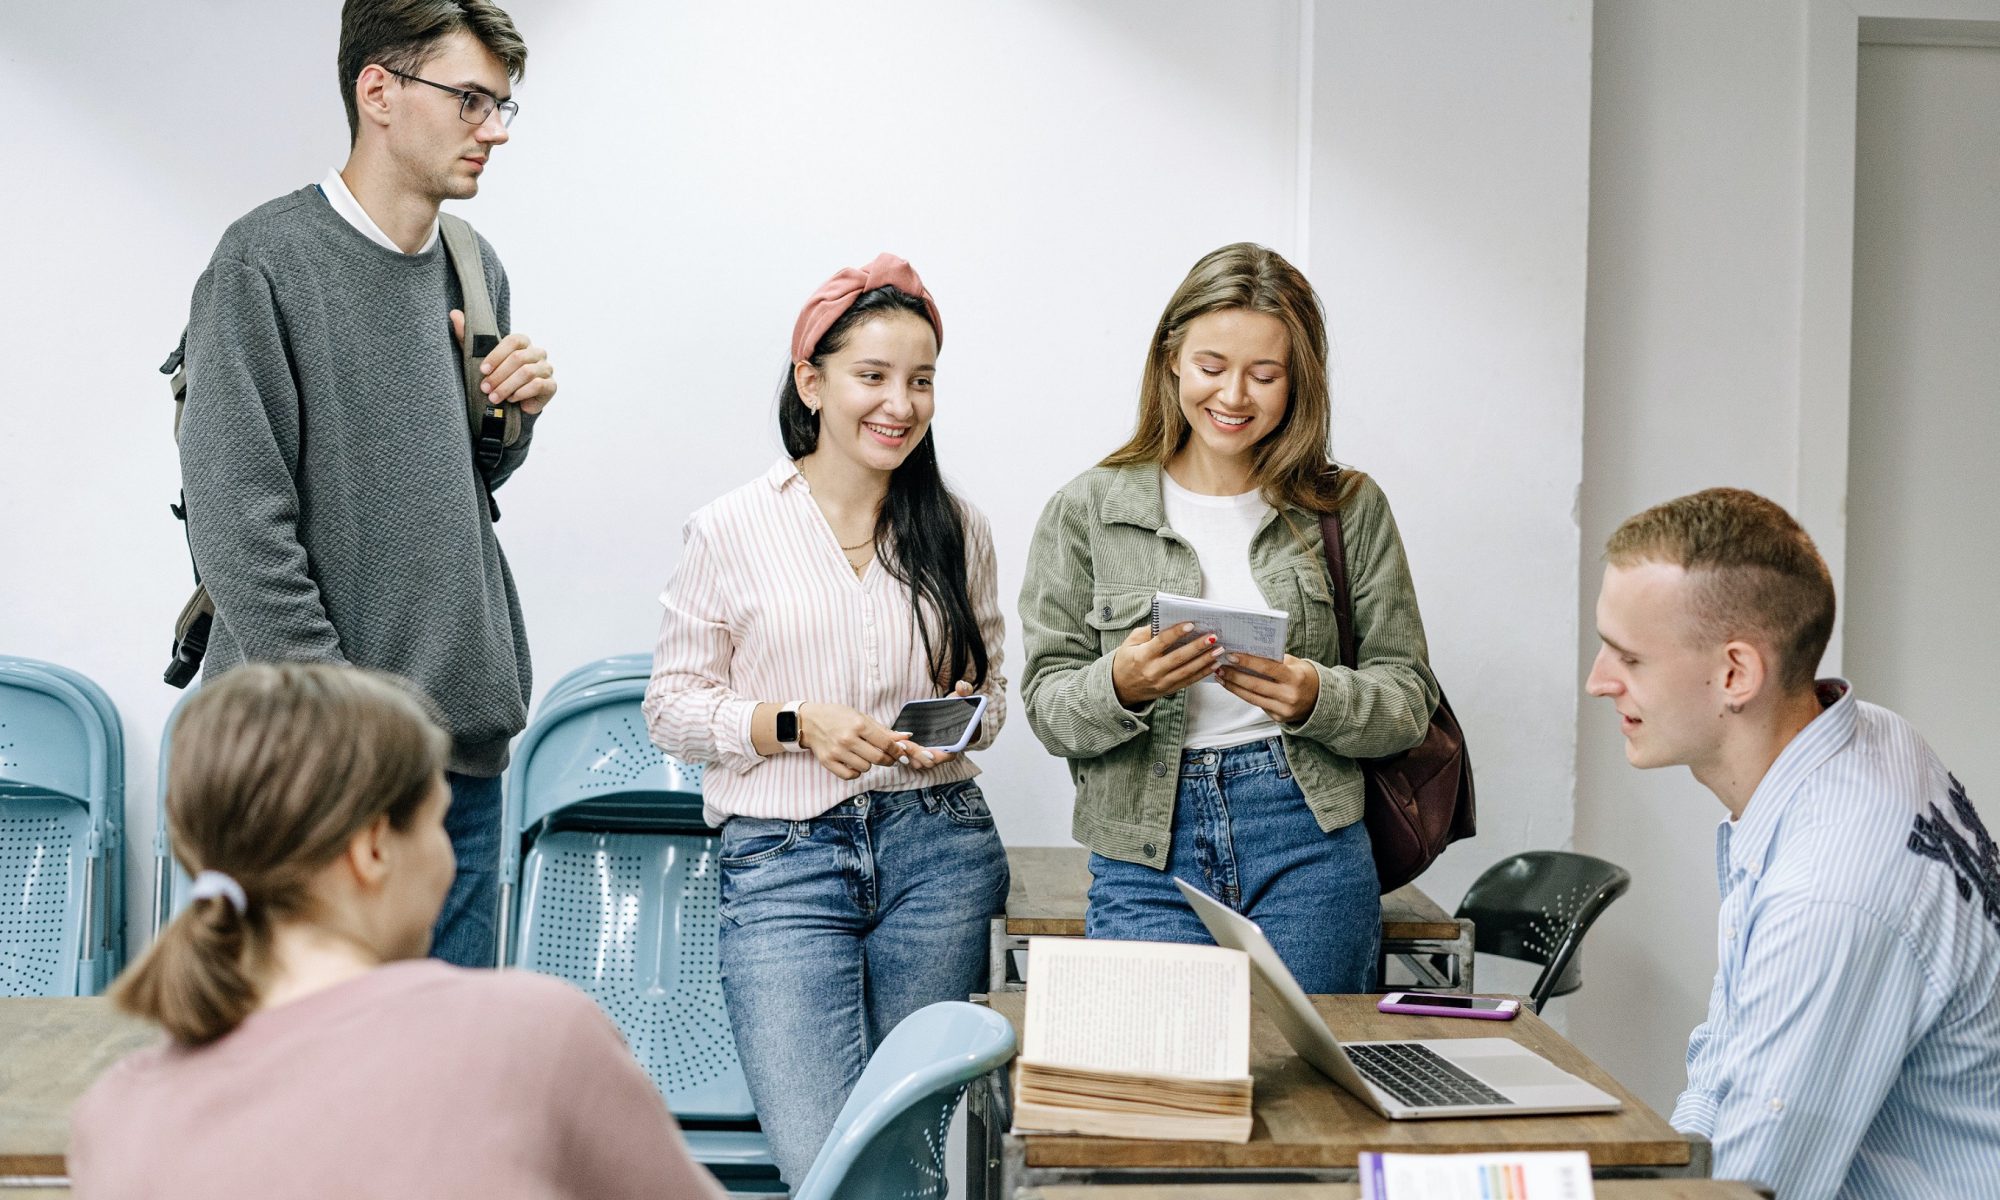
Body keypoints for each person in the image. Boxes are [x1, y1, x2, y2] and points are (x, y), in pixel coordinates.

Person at [175, 0, 558, 968]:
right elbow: (241, 535)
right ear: (377, 92)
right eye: (472, 100)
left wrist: (511, 420)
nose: (496, 131)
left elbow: (455, 484)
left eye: (505, 105)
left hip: (458, 769)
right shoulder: (262, 264)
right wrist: (355, 737)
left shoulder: (477, 268)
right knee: (298, 1095)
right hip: (312, 774)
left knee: (442, 1094)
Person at [69, 663, 723, 1200]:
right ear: (375, 847)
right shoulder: (534, 1033)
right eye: (439, 825)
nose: (448, 858)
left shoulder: (113, 1116)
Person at [642, 253, 1009, 1186]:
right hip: (780, 862)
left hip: (939, 851)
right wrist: (794, 724)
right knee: (827, 1162)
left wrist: (968, 711)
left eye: (921, 381)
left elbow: (997, 694)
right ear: (813, 382)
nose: (901, 404)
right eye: (873, 377)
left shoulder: (957, 529)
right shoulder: (728, 529)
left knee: (915, 1158)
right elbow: (671, 708)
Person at [1018, 242, 1438, 993]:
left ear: (1299, 381)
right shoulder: (1087, 511)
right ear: (1171, 358)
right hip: (1145, 846)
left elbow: (1408, 700)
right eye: (1212, 366)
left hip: (1308, 836)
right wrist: (1121, 683)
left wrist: (1316, 696)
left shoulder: (1349, 510)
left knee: (1314, 1094)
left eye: (1265, 374)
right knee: (1161, 1090)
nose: (1234, 396)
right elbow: (1048, 709)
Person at [1585, 487, 2000, 1200]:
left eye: (1630, 658)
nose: (1598, 681)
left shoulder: (1832, 892)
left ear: (1737, 674)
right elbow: (1727, 1066)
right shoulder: (1868, 737)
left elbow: (1752, 1190)